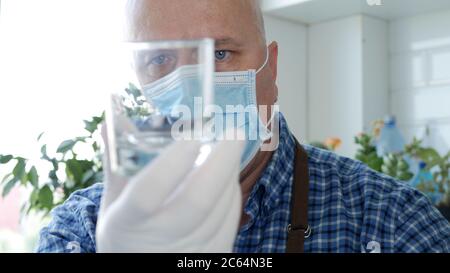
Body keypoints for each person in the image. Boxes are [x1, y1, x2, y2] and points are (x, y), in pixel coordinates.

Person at [36, 0, 450, 253]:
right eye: (160, 59)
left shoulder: (392, 221)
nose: (193, 85)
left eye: (220, 53)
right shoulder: (83, 229)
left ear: (271, 68)